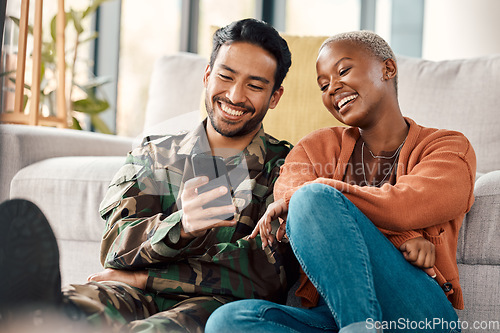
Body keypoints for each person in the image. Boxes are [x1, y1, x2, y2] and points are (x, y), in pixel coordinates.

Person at [0, 18, 297, 332]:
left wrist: (144, 275)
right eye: (226, 76)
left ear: (274, 96)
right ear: (208, 76)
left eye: (254, 86)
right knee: (72, 308)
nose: (235, 96)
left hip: (213, 304)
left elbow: (265, 275)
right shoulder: (154, 154)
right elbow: (115, 246)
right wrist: (180, 226)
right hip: (130, 292)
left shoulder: (287, 167)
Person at [205, 31, 476, 333]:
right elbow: (290, 197)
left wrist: (325, 196)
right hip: (334, 315)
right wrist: (403, 237)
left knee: (312, 199)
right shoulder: (315, 147)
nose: (333, 87)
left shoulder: (448, 147)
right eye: (323, 85)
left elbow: (406, 206)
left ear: (388, 69)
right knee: (227, 322)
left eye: (343, 71)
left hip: (416, 314)